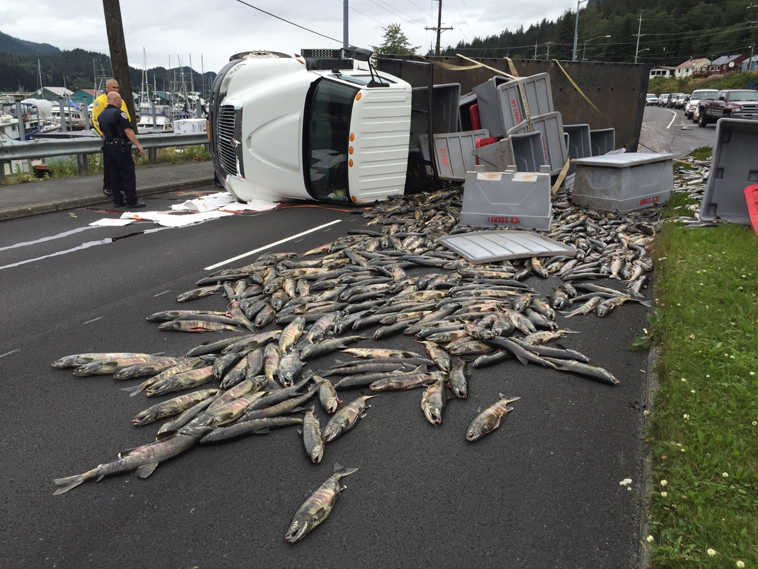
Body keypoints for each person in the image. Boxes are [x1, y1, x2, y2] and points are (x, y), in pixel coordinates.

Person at [99, 92, 145, 208]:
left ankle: (117, 200)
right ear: (115, 100)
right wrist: (138, 144)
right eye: (120, 100)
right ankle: (131, 200)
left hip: (107, 146)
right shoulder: (119, 114)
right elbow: (128, 131)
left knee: (113, 174)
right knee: (127, 173)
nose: (121, 102)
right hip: (120, 147)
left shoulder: (102, 115)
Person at [91, 79, 130, 197]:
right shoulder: (100, 101)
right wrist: (104, 134)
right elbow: (96, 120)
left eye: (117, 87)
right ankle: (108, 186)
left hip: (122, 138)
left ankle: (121, 186)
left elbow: (126, 116)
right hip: (110, 138)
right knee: (110, 165)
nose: (117, 89)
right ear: (107, 88)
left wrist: (127, 131)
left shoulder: (121, 100)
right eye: (114, 87)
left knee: (122, 165)